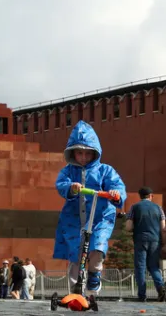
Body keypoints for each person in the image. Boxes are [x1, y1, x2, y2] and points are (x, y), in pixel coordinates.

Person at [54, 121, 125, 295]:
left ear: (95, 153)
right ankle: (75, 291)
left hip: (100, 218)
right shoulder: (68, 171)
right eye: (79, 153)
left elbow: (117, 185)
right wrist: (71, 187)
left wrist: (116, 194)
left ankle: (94, 274)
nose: (84, 157)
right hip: (74, 219)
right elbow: (61, 184)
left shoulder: (105, 170)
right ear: (73, 153)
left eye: (88, 153)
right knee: (75, 253)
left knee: (97, 248)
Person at [125, 186, 166, 302]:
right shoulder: (158, 208)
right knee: (154, 267)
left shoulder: (134, 207)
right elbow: (163, 228)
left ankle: (142, 295)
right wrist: (164, 244)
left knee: (140, 268)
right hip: (155, 240)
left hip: (140, 240)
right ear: (151, 196)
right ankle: (161, 288)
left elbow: (128, 227)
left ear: (140, 196)